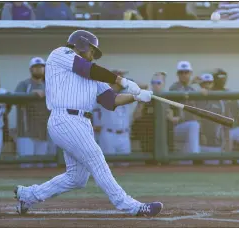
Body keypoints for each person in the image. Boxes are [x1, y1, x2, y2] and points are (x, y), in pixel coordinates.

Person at [14, 30, 163, 217]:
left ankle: (29, 195)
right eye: (92, 50)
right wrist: (123, 81)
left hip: (82, 123)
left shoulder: (93, 71)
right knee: (96, 158)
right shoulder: (61, 54)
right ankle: (131, 206)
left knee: (76, 178)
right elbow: (85, 68)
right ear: (82, 44)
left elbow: (110, 100)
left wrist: (136, 96)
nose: (93, 55)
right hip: (64, 118)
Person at [15, 57, 50, 168]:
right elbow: (15, 100)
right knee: (26, 165)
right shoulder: (24, 84)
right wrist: (31, 94)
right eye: (36, 67)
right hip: (26, 131)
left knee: (40, 166)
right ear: (31, 69)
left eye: (41, 67)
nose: (39, 69)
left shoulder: (49, 86)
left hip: (43, 131)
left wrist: (45, 93)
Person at [132, 71, 174, 163]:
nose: (155, 85)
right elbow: (135, 117)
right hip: (149, 141)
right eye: (153, 83)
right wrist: (141, 101)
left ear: (163, 84)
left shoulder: (169, 98)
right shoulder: (146, 98)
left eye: (158, 83)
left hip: (165, 140)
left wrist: (170, 116)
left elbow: (175, 119)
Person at [169, 61, 200, 154]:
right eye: (181, 72)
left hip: (189, 128)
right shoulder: (174, 87)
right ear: (177, 74)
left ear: (190, 73)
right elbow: (181, 92)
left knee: (185, 162)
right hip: (176, 127)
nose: (184, 75)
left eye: (186, 72)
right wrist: (191, 82)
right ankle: (196, 158)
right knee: (194, 125)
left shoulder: (193, 89)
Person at [196, 74, 226, 152]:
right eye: (205, 83)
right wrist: (201, 134)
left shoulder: (219, 99)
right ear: (201, 84)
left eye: (209, 83)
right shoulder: (196, 98)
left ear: (213, 84)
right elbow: (196, 119)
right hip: (202, 141)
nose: (207, 85)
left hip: (217, 141)